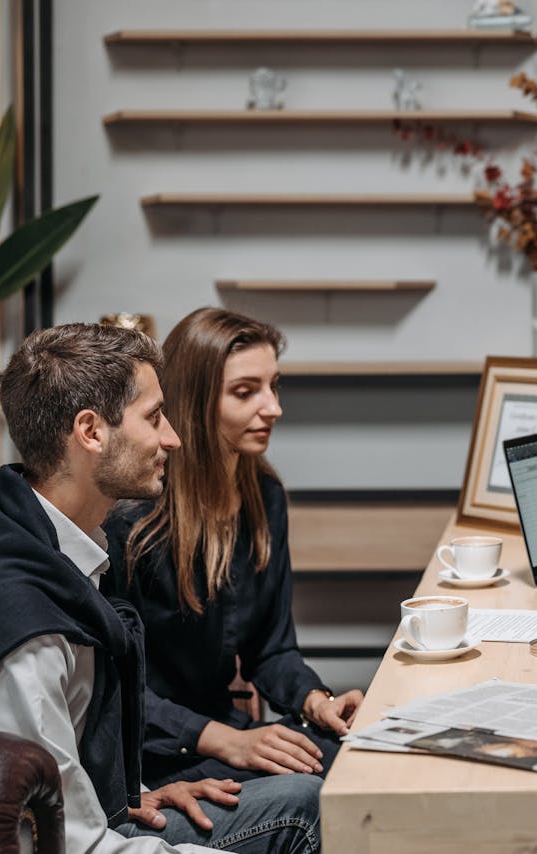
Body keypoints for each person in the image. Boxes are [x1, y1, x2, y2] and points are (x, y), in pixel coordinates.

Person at [0, 323, 321, 854]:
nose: (173, 437)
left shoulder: (31, 530)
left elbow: (71, 774)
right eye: (154, 417)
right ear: (91, 432)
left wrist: (136, 791)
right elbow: (70, 844)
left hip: (108, 808)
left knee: (307, 792)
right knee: (307, 812)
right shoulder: (26, 634)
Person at [104, 307, 362, 790]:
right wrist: (225, 739)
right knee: (319, 786)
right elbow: (117, 695)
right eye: (246, 392)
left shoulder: (264, 499)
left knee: (358, 759)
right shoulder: (132, 523)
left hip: (229, 733)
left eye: (274, 386)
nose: (274, 408)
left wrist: (314, 700)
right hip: (156, 758)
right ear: (197, 402)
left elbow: (272, 649)